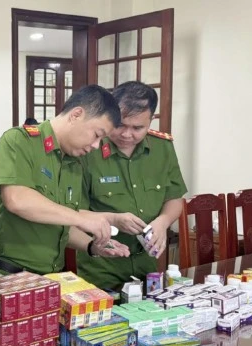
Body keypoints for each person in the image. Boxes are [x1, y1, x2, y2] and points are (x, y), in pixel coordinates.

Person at [0, 85, 129, 275]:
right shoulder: (19, 141)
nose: (96, 145)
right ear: (76, 115)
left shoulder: (74, 164)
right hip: (6, 276)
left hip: (50, 278)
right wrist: (81, 218)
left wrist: (92, 246)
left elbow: (60, 224)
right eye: (97, 135)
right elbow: (17, 200)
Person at [77, 81, 187, 291]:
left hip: (148, 264)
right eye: (120, 125)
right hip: (102, 265)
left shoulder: (162, 148)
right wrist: (113, 219)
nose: (127, 134)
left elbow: (174, 198)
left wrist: (163, 222)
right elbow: (73, 212)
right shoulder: (89, 150)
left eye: (137, 128)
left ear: (150, 120)